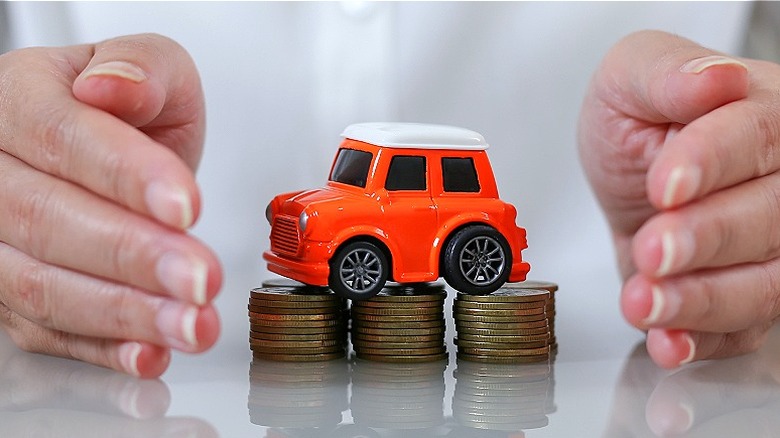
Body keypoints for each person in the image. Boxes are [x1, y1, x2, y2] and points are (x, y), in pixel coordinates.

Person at [1, 2, 778, 378]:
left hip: (624, 395)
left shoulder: (450, 201)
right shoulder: (342, 196)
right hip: (110, 393)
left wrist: (730, 180)